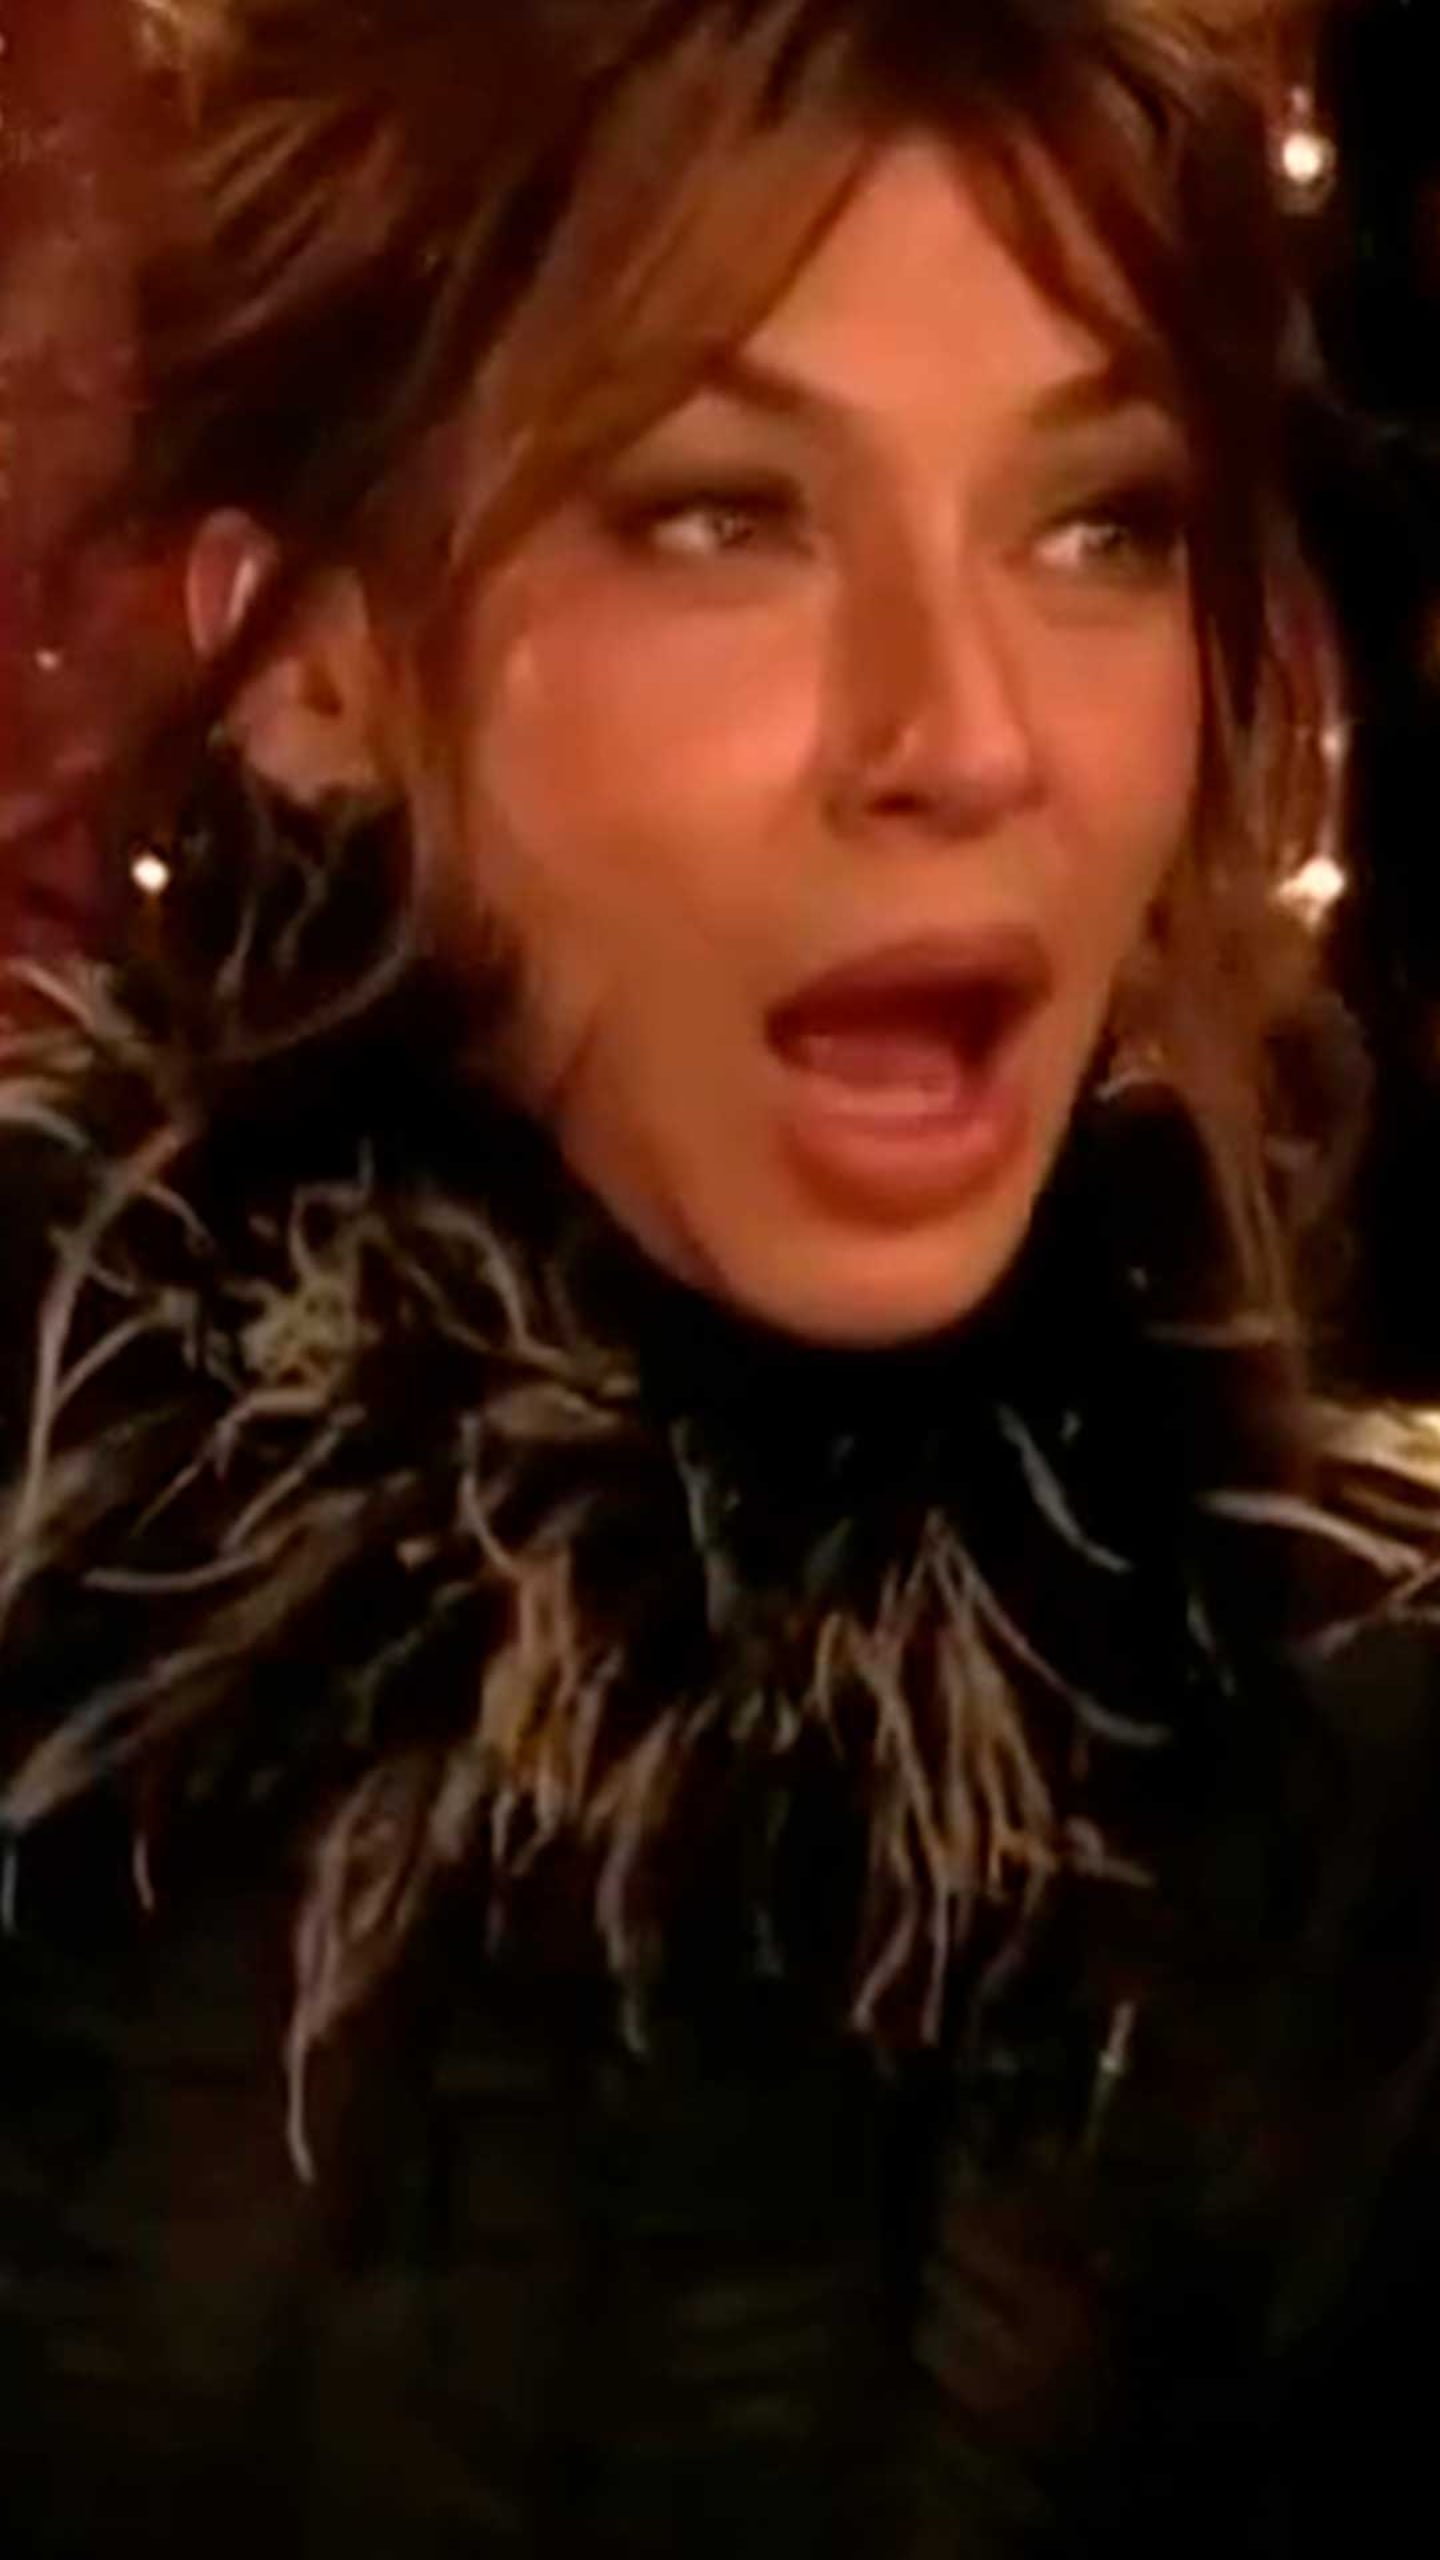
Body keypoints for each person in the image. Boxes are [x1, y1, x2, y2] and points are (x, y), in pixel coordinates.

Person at [0, 1, 1393, 2550]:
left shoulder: (1337, 1864)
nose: (965, 732)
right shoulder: (59, 1642)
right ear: (312, 660)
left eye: (1099, 524)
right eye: (723, 515)